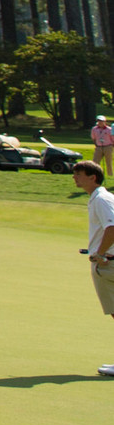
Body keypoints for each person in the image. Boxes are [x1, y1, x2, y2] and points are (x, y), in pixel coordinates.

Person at [75, 160, 114, 373]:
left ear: (93, 177)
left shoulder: (101, 199)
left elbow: (112, 227)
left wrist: (99, 253)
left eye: (79, 174)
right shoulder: (100, 198)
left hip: (109, 264)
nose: (75, 177)